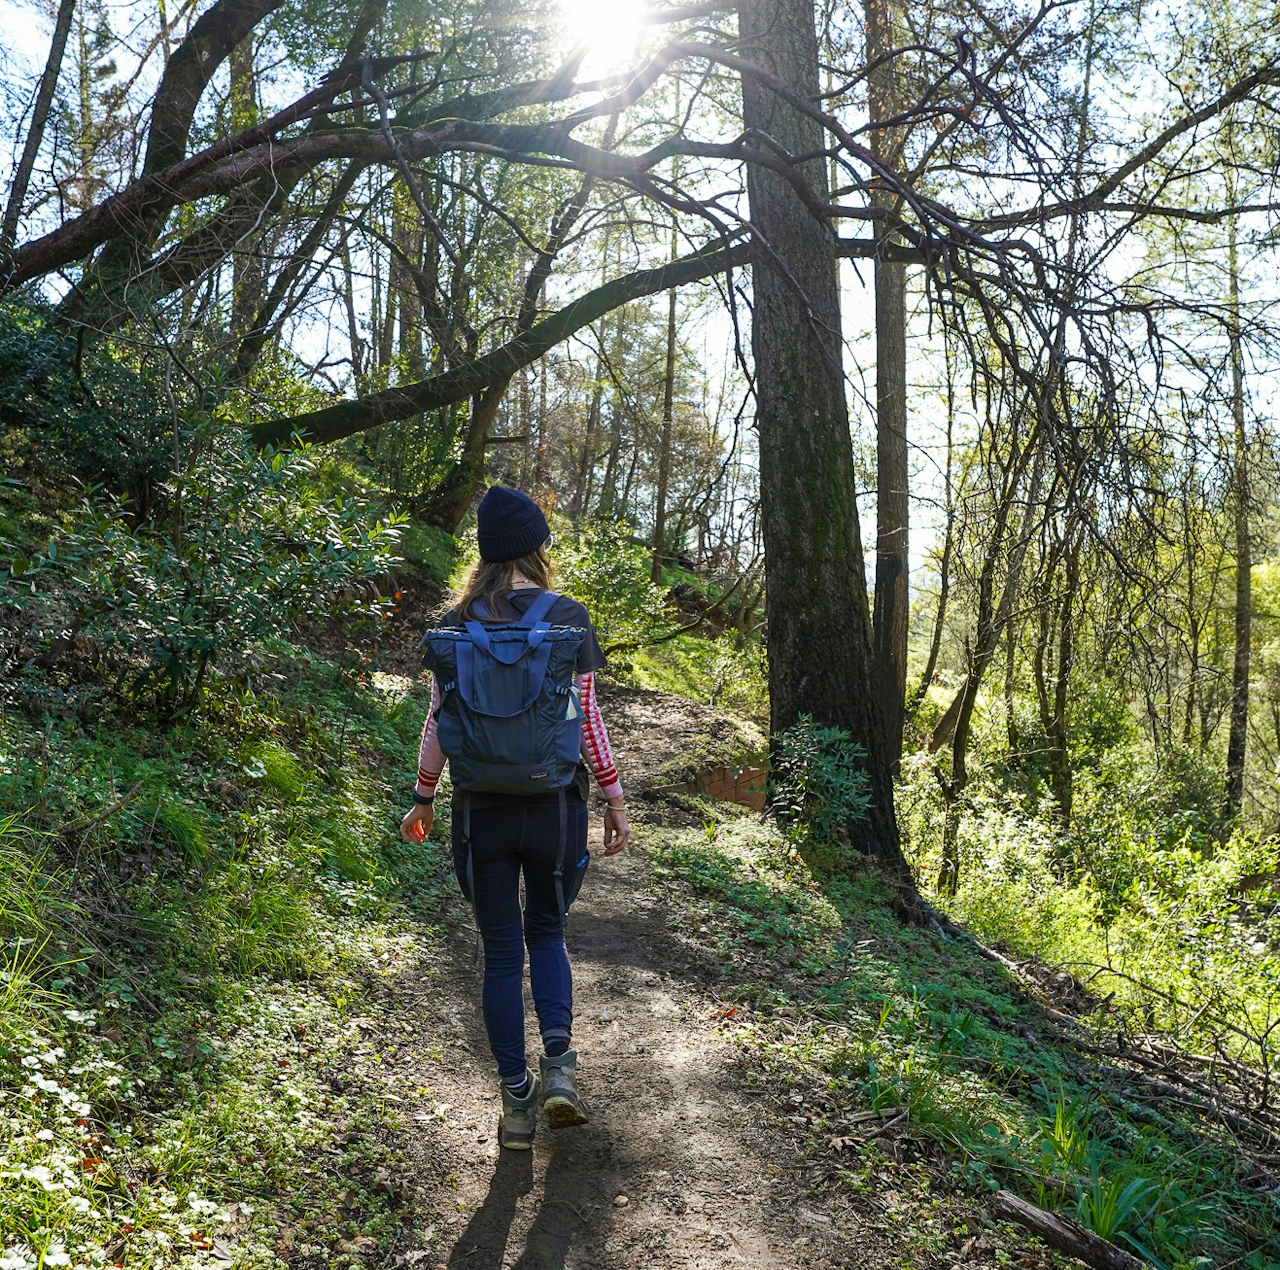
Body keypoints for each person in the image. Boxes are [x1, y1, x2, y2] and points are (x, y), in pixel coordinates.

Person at [399, 485, 630, 1150]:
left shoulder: (453, 624)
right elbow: (586, 719)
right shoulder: (568, 618)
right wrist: (613, 797)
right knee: (548, 933)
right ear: (536, 548)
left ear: (484, 554)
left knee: (501, 956)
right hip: (553, 808)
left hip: (481, 815)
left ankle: (518, 1107)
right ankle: (559, 1069)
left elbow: (439, 720)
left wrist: (423, 796)